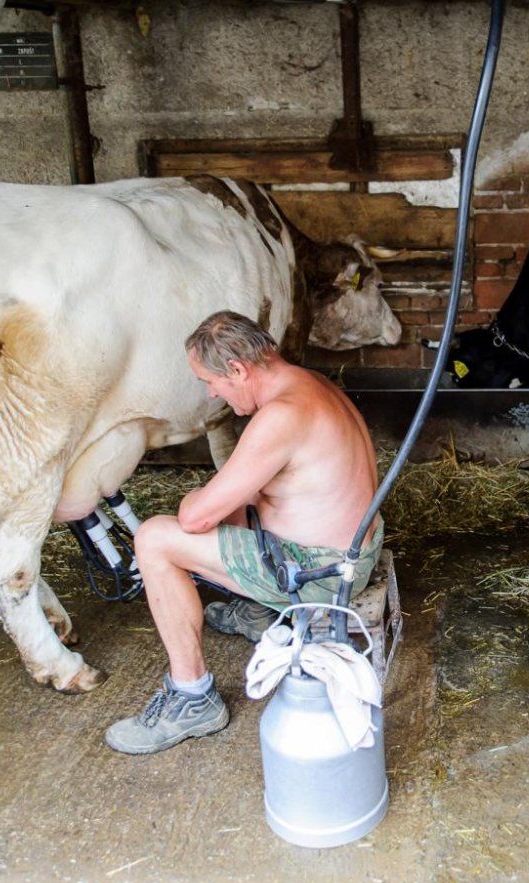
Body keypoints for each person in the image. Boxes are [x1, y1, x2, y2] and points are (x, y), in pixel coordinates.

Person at [106, 311, 383, 755]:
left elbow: (195, 518)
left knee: (156, 537)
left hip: (320, 573)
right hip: (350, 548)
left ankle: (192, 696)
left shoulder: (281, 416)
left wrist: (191, 501)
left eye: (210, 382)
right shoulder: (310, 383)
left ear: (238, 369)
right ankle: (259, 611)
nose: (211, 392)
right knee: (241, 501)